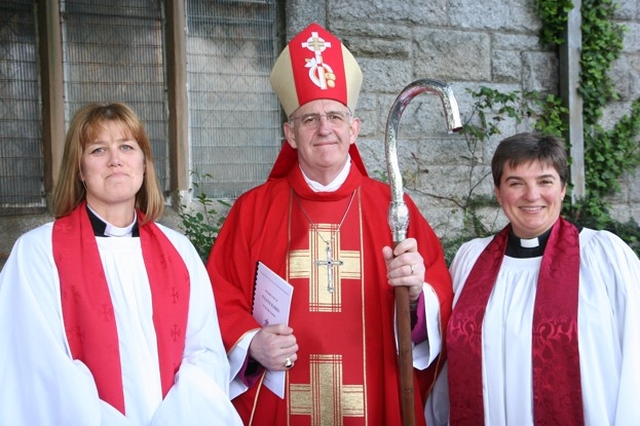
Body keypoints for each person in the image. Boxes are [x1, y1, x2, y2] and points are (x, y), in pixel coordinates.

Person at [206, 23, 453, 425]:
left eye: (336, 116)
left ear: (353, 130)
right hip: (280, 400)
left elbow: (438, 285)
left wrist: (415, 297)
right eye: (309, 119)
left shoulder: (392, 208)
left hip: (372, 400)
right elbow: (217, 297)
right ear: (289, 133)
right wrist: (251, 343)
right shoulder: (252, 211)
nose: (325, 128)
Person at [0, 102, 242, 425]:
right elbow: (38, 368)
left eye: (127, 147)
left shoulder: (180, 252)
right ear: (80, 170)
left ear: (144, 164)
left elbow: (205, 354)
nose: (116, 160)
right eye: (98, 150)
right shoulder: (36, 255)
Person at [426, 132, 640, 425]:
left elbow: (634, 358)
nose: (532, 195)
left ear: (563, 188)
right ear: (499, 193)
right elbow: (444, 355)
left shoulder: (603, 256)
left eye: (545, 181)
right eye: (516, 183)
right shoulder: (471, 259)